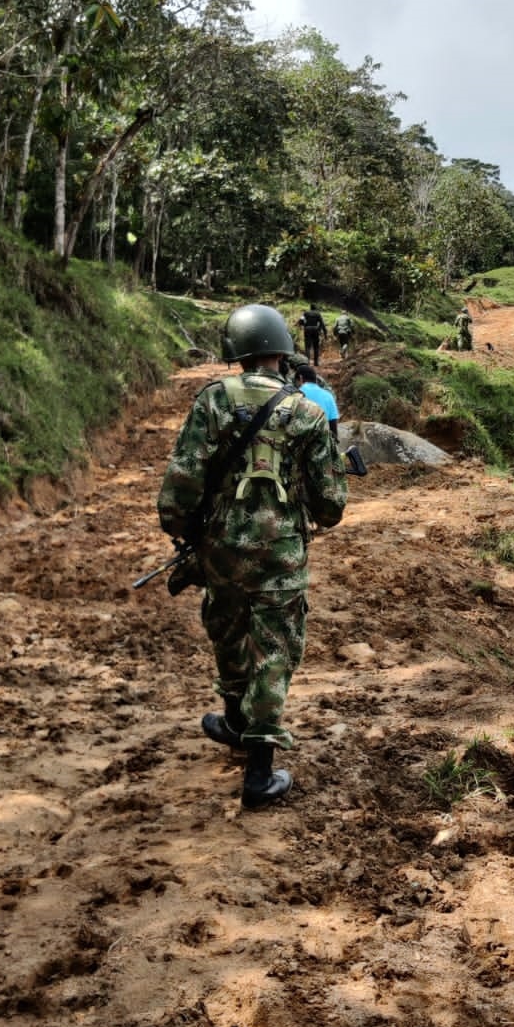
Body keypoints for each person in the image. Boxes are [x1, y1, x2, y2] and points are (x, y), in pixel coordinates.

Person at [157, 304, 347, 809]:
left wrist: (186, 534)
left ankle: (236, 722)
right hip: (281, 558)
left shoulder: (213, 400)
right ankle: (259, 773)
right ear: (283, 349)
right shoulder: (308, 412)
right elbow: (331, 508)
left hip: (221, 550)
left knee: (227, 630)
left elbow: (180, 485)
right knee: (275, 651)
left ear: (236, 352)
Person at [294, 362, 339, 440]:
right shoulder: (328, 396)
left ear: (300, 378)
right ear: (315, 379)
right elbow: (333, 428)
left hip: (300, 443)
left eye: (296, 382)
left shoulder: (295, 394)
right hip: (322, 443)